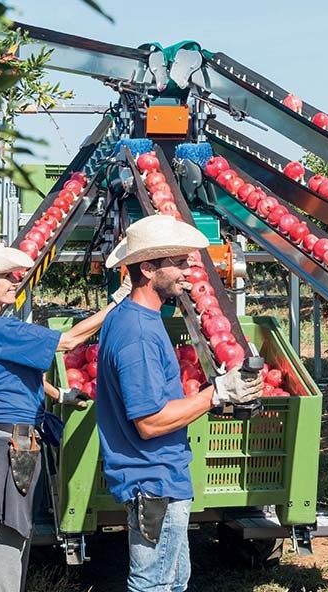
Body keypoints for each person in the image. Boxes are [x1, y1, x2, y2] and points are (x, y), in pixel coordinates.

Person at [96, 215, 264, 592]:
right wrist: (216, 393)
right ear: (148, 267)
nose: (189, 269)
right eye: (179, 262)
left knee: (172, 581)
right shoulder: (137, 334)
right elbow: (150, 422)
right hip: (152, 480)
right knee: (153, 584)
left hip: (161, 477)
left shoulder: (136, 317)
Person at [0, 242, 124, 592]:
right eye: (7, 278)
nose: (15, 282)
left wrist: (61, 395)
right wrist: (120, 301)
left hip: (12, 435)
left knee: (17, 529)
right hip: (14, 439)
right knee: (11, 533)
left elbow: (17, 377)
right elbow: (69, 341)